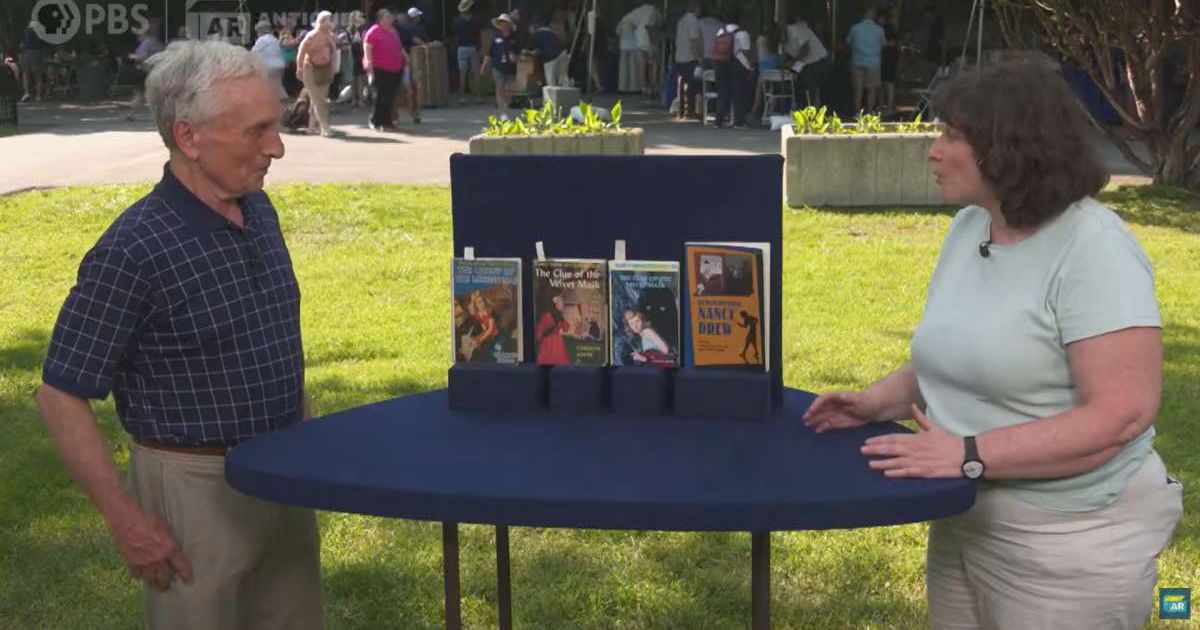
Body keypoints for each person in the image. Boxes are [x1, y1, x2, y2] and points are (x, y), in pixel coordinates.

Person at [802, 57, 1182, 630]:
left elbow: (1121, 415)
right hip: (964, 517)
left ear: (1010, 148)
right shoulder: (970, 227)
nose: (933, 151)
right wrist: (875, 402)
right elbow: (965, 356)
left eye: (952, 136)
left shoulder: (1094, 248)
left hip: (1071, 541)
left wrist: (969, 453)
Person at [36, 40, 322, 630]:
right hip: (195, 495)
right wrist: (125, 521)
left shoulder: (258, 210)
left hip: (285, 476)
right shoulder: (134, 249)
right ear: (189, 137)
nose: (277, 147)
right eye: (257, 131)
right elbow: (60, 393)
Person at [297, 11, 339, 137]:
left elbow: (334, 53)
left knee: (318, 99)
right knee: (319, 100)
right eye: (329, 20)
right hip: (310, 69)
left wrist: (334, 68)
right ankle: (325, 128)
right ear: (322, 22)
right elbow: (301, 52)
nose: (331, 23)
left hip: (325, 70)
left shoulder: (331, 36)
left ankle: (311, 127)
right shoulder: (312, 36)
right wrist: (299, 68)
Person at [363, 8, 406, 130]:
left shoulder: (393, 30)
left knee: (390, 96)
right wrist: (369, 65)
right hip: (380, 68)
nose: (391, 18)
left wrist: (405, 56)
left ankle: (387, 121)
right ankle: (376, 121)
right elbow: (367, 48)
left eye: (391, 16)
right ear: (380, 19)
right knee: (381, 95)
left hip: (396, 68)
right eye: (388, 16)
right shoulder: (374, 31)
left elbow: (399, 46)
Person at [713, 11, 753, 129]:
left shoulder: (721, 31)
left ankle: (718, 120)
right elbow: (746, 51)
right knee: (739, 93)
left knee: (722, 92)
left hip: (720, 63)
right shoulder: (742, 33)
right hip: (737, 64)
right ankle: (739, 121)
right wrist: (750, 64)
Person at [782, 12, 830, 107]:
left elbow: (805, 48)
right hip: (807, 64)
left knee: (808, 81)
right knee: (802, 81)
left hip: (820, 61)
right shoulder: (784, 43)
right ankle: (808, 105)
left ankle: (812, 106)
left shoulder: (797, 30)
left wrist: (794, 61)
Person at [846, 7, 885, 113]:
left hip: (857, 61)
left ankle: (857, 113)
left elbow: (849, 43)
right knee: (871, 89)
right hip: (873, 63)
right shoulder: (879, 29)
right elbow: (883, 45)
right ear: (873, 15)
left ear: (863, 15)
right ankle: (869, 112)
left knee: (858, 90)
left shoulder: (855, 28)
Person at [616, 3, 660, 94]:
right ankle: (636, 87)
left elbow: (617, 31)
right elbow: (649, 27)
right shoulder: (653, 12)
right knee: (635, 65)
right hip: (638, 38)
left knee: (626, 65)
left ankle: (624, 87)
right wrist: (653, 42)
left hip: (627, 40)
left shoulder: (635, 13)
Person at [126, 23, 165, 115]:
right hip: (148, 71)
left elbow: (143, 56)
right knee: (141, 93)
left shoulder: (147, 43)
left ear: (145, 34)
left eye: (139, 35)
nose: (137, 38)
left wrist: (133, 56)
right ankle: (132, 112)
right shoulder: (154, 43)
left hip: (145, 71)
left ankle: (133, 109)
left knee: (141, 93)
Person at [481, 14, 518, 113]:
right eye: (501, 23)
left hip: (511, 68)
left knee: (509, 90)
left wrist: (516, 58)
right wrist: (484, 66)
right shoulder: (495, 38)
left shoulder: (515, 38)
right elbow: (489, 53)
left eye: (505, 23)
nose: (503, 25)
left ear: (509, 25)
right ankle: (502, 109)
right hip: (498, 67)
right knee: (499, 87)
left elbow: (520, 52)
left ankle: (506, 106)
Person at [673, 1, 702, 120]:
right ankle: (690, 110)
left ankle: (681, 110)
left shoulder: (681, 20)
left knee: (681, 84)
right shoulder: (693, 20)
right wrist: (698, 57)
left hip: (679, 57)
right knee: (692, 85)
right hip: (689, 58)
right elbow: (694, 41)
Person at [451, 0, 483, 104]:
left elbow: (455, 36)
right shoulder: (475, 20)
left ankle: (462, 97)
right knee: (476, 73)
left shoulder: (456, 21)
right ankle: (479, 97)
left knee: (462, 74)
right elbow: (479, 35)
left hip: (462, 48)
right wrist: (480, 47)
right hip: (473, 47)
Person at [251, 20, 287, 100]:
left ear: (260, 31)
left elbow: (252, 52)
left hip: (270, 67)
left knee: (265, 85)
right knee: (276, 85)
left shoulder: (262, 40)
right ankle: (283, 100)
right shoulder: (274, 39)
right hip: (280, 65)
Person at [528, 19, 567, 88]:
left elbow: (536, 51)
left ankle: (552, 93)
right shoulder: (549, 31)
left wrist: (528, 52)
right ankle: (566, 93)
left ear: (532, 28)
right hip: (562, 53)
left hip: (551, 57)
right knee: (563, 79)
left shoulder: (535, 35)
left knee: (551, 82)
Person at [535, 290, 571, 365]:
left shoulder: (560, 316)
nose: (562, 305)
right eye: (560, 303)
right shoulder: (547, 315)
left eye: (562, 303)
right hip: (550, 342)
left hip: (556, 342)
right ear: (555, 304)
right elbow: (540, 330)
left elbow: (566, 329)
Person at [877, 7, 900, 114]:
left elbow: (893, 43)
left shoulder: (889, 28)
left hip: (889, 58)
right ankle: (882, 105)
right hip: (883, 58)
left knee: (888, 82)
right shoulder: (881, 28)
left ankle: (888, 106)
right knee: (881, 83)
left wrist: (883, 45)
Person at [19, 21, 48, 102]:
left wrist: (21, 50)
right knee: (38, 75)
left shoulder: (26, 31)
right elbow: (44, 45)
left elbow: (21, 45)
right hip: (39, 53)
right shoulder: (41, 33)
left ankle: (27, 93)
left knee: (25, 73)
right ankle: (38, 96)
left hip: (28, 53)